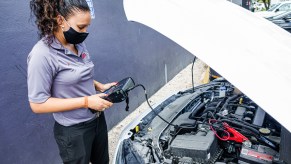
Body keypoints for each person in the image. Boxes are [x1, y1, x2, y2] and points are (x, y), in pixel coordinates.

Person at [28, 0, 116, 163]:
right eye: (81, 27)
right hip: (74, 131)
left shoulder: (78, 43)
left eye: (87, 26)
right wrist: (86, 101)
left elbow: (74, 75)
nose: (85, 32)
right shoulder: (41, 55)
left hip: (97, 120)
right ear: (60, 20)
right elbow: (37, 104)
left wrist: (99, 86)